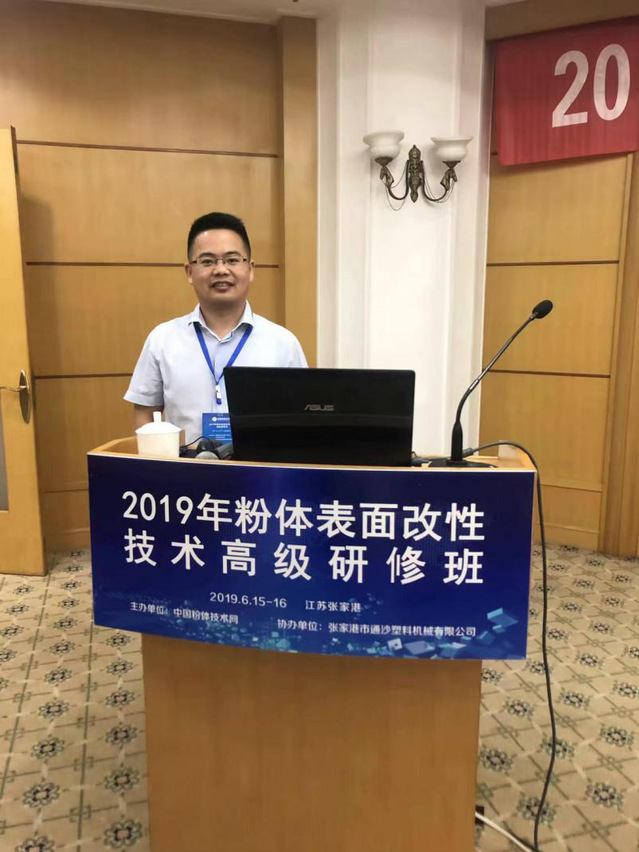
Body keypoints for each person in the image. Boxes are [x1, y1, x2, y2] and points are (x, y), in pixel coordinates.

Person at [124, 212, 307, 445]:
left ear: (250, 269)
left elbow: (299, 419)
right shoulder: (162, 339)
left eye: (232, 260)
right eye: (207, 261)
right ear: (189, 272)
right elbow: (145, 414)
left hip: (258, 467)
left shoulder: (283, 343)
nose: (221, 270)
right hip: (184, 467)